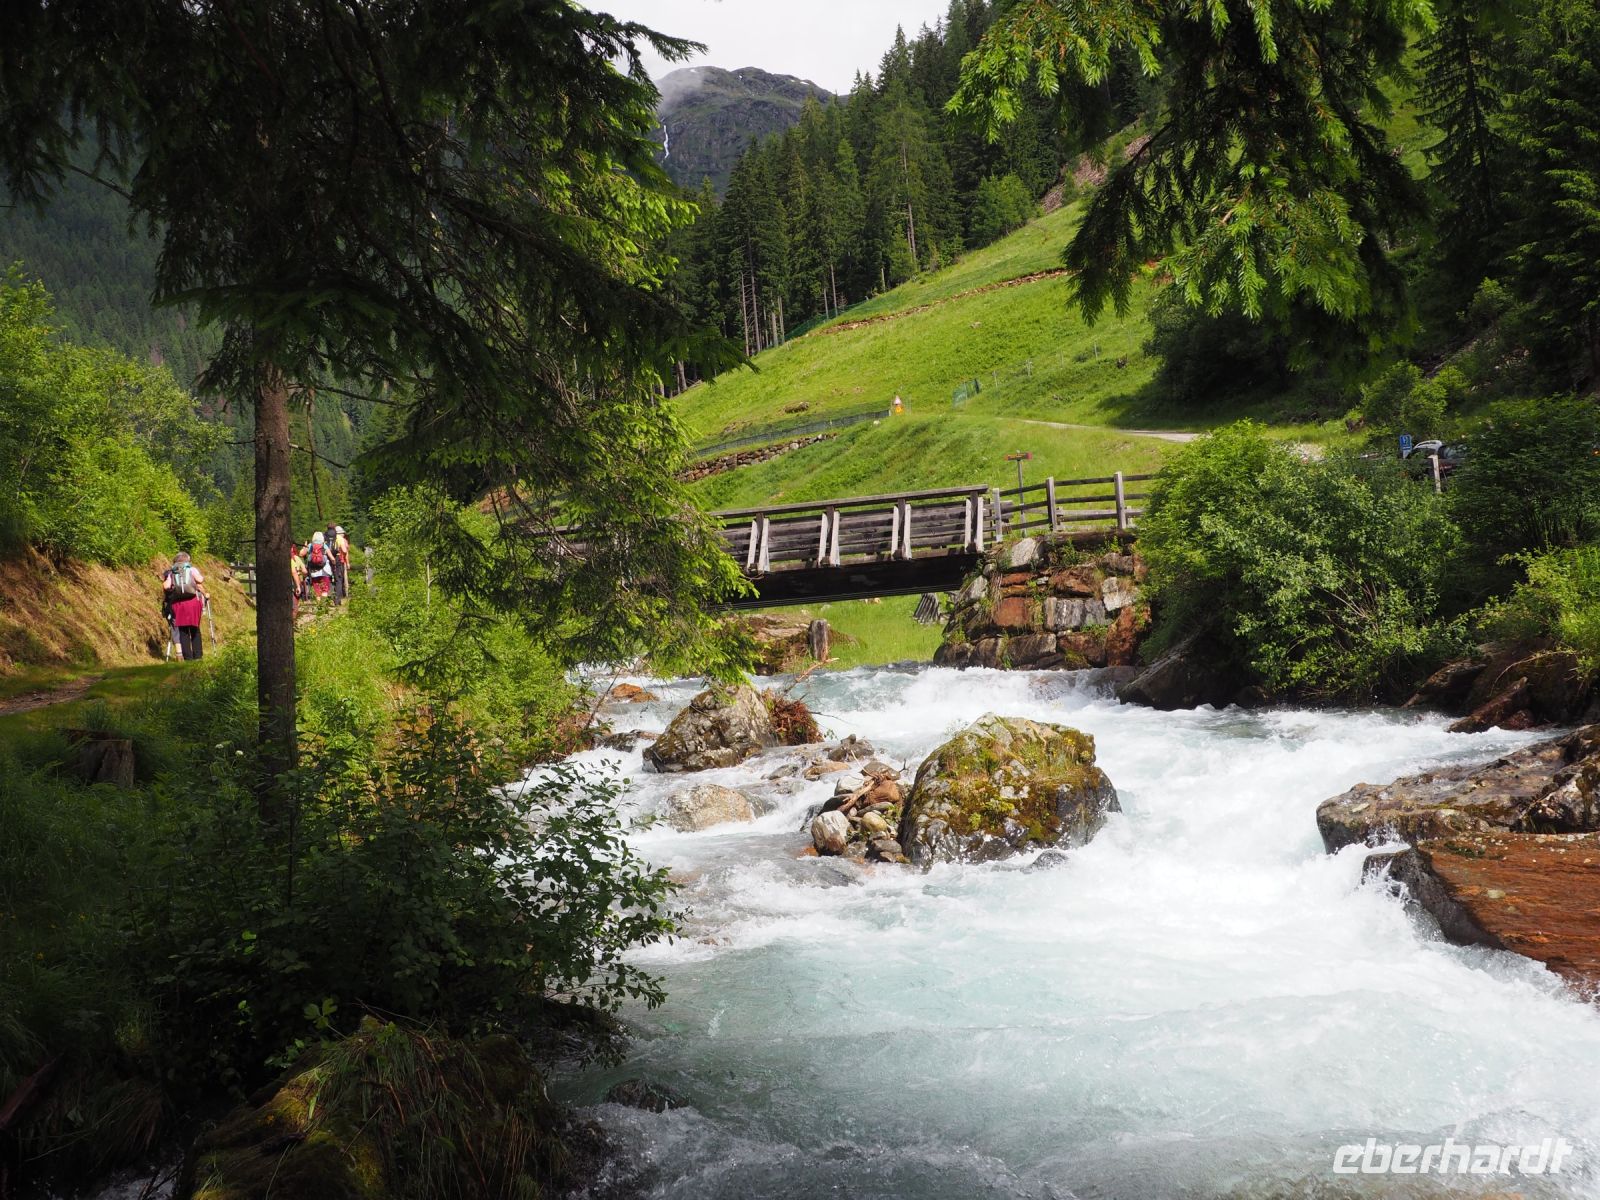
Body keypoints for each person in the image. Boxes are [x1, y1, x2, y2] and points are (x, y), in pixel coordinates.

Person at [160, 551, 207, 661]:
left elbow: (166, 586)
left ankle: (188, 657)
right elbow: (200, 580)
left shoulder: (173, 571)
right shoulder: (191, 569)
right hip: (193, 602)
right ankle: (198, 656)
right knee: (195, 629)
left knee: (183, 631)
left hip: (179, 604)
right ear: (187, 560)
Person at [304, 531, 334, 598]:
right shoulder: (324, 545)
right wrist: (334, 563)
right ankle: (323, 605)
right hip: (324, 570)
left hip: (314, 571)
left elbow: (301, 554)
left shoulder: (310, 545)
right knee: (325, 588)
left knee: (317, 588)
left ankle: (318, 605)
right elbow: (332, 558)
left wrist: (305, 546)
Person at [332, 524, 351, 602]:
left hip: (331, 561)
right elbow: (345, 551)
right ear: (339, 533)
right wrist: (348, 563)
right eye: (342, 533)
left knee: (335, 579)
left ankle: (335, 596)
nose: (343, 534)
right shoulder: (342, 540)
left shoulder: (331, 539)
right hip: (340, 560)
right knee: (340, 580)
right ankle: (339, 599)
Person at [289, 542, 308, 615]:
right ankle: (292, 621)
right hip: (295, 583)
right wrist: (298, 585)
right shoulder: (296, 558)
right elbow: (304, 571)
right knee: (294, 605)